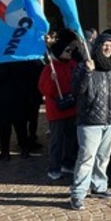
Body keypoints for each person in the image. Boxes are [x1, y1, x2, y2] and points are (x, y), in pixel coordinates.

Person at [69, 34, 111, 211]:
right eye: (105, 44)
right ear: (98, 46)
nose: (108, 48)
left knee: (103, 158)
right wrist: (87, 72)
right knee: (86, 159)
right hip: (90, 122)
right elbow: (76, 91)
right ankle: (78, 193)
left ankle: (99, 186)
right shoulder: (85, 66)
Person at [38, 33, 79, 180]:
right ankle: (53, 167)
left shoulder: (73, 65)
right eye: (67, 51)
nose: (70, 53)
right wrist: (51, 80)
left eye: (70, 51)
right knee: (56, 141)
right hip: (57, 111)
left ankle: (67, 163)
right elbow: (44, 90)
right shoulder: (49, 69)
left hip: (71, 108)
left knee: (71, 139)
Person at [0, 59, 43, 160]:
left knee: (5, 128)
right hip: (21, 99)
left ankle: (5, 152)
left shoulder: (4, 63)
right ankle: (24, 150)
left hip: (5, 100)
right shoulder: (26, 63)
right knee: (21, 126)